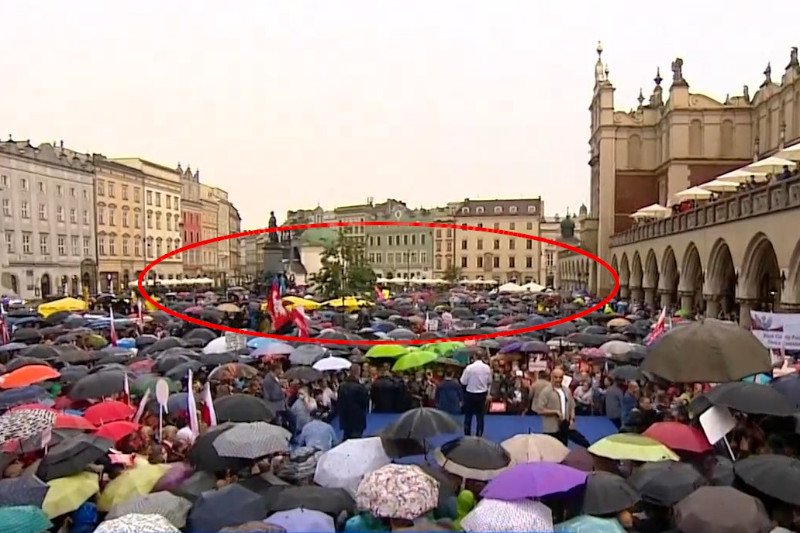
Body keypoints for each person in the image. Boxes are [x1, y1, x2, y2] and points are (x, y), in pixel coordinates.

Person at [535, 368, 590, 447]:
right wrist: (555, 412)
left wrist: (572, 419)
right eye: (556, 377)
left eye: (560, 377)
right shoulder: (546, 391)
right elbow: (539, 410)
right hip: (551, 428)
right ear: (551, 377)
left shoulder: (566, 390)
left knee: (568, 448)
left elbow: (572, 406)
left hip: (565, 426)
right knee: (552, 452)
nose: (558, 379)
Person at [460, 353, 491, 436]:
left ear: (474, 357)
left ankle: (467, 435)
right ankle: (479, 435)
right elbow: (489, 381)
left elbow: (463, 381)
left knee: (468, 416)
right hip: (482, 394)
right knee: (480, 417)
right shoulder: (487, 368)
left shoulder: (469, 368)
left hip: (470, 394)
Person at [337, 370, 370, 440]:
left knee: (346, 436)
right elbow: (365, 402)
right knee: (356, 438)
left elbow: (339, 402)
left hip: (345, 417)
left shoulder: (341, 387)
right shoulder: (360, 388)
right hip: (357, 417)